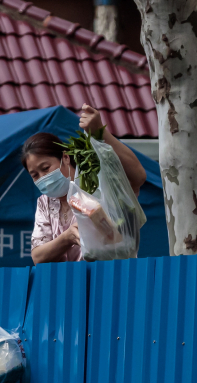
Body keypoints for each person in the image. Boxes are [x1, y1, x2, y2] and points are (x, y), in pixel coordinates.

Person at [22, 103, 147, 264]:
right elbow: (38, 256)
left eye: (45, 168)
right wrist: (67, 237)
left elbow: (138, 177)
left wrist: (100, 133)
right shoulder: (45, 203)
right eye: (35, 175)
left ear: (65, 158)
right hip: (72, 284)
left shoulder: (97, 182)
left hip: (114, 277)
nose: (42, 177)